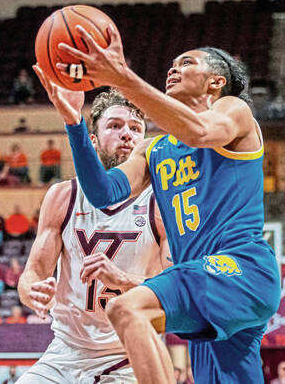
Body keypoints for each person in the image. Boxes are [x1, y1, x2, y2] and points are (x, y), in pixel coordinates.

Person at [35, 30, 281, 381]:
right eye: (172, 63)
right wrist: (74, 122)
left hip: (240, 268)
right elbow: (103, 192)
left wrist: (122, 78)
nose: (173, 69)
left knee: (127, 311)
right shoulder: (153, 150)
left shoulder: (233, 110)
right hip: (203, 279)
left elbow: (198, 130)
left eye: (186, 62)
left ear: (215, 82)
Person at [16, 89, 170, 384]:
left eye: (136, 128)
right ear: (93, 140)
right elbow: (32, 273)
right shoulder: (63, 196)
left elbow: (173, 293)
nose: (127, 134)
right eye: (115, 126)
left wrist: (124, 280)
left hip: (127, 354)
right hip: (65, 351)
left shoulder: (160, 203)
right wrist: (33, 291)